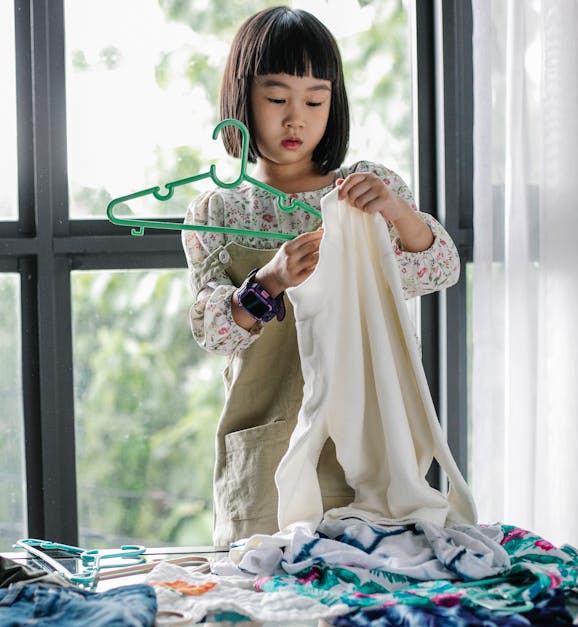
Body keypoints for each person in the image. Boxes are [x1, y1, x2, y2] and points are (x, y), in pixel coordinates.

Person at [181, 6, 461, 548]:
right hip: (269, 441)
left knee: (376, 580)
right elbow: (215, 332)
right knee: (270, 589)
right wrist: (270, 280)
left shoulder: (365, 190)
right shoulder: (215, 212)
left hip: (371, 435)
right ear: (241, 99)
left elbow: (438, 268)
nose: (296, 119)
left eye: (315, 100)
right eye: (277, 97)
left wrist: (397, 215)